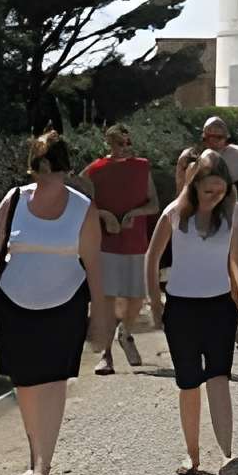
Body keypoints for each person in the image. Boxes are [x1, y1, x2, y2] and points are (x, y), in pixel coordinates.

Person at [0, 131, 103, 475]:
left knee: (53, 383)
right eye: (39, 169)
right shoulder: (14, 199)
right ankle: (36, 458)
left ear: (66, 169)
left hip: (65, 305)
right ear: (32, 169)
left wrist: (101, 316)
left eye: (53, 168)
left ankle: (42, 468)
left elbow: (94, 267)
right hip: (13, 303)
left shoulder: (82, 207)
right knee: (26, 385)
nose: (46, 176)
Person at [145, 149, 238, 475]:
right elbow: (151, 259)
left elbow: (236, 258)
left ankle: (227, 455)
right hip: (181, 308)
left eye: (220, 191)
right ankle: (192, 457)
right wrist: (155, 303)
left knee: (219, 378)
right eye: (208, 191)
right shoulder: (175, 214)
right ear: (194, 185)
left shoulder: (232, 215)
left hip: (219, 307)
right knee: (189, 383)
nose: (214, 197)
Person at [82, 122, 156, 374]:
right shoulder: (95, 170)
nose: (124, 148)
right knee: (108, 299)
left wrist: (135, 212)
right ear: (109, 143)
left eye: (128, 143)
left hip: (135, 242)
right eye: (119, 143)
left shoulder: (142, 167)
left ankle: (125, 334)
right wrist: (103, 215)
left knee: (135, 298)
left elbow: (154, 204)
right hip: (107, 243)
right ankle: (106, 355)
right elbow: (79, 201)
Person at [202, 116, 238, 346]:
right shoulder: (197, 160)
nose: (215, 141)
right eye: (209, 136)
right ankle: (223, 328)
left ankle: (232, 324)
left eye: (220, 136)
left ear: (227, 137)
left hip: (237, 225)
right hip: (208, 229)